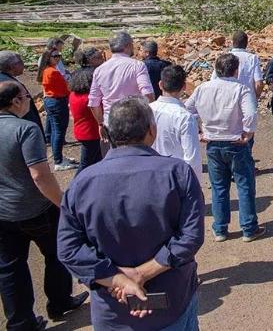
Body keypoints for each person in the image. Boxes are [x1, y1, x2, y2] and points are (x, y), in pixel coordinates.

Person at [57, 97, 204, 330]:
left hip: (112, 310)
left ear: (106, 133)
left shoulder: (81, 183)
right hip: (172, 301)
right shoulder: (178, 173)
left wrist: (118, 279)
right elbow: (191, 236)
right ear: (152, 131)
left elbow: (69, 249)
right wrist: (142, 274)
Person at [0, 81, 87, 330]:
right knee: (57, 254)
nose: (29, 100)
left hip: (3, 212)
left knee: (9, 268)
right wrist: (62, 203)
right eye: (26, 96)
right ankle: (59, 302)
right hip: (35, 208)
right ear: (16, 101)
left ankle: (20, 322)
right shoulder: (25, 129)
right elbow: (39, 176)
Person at [186, 53, 264, 242]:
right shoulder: (241, 89)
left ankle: (220, 229)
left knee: (219, 188)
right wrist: (248, 133)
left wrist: (199, 132)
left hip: (213, 143)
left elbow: (187, 109)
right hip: (236, 142)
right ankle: (248, 228)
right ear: (236, 70)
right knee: (245, 185)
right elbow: (251, 114)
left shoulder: (203, 88)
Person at [88, 32, 155, 141]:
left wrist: (100, 123)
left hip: (110, 122)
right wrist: (151, 117)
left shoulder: (99, 70)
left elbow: (93, 102)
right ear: (128, 45)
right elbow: (147, 93)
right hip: (134, 120)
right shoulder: (137, 66)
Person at [150, 65, 202, 181]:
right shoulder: (184, 117)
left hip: (150, 175)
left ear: (160, 84)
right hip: (174, 178)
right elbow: (192, 158)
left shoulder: (147, 109)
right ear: (184, 87)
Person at [37, 49, 77, 171]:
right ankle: (58, 161)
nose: (58, 58)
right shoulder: (53, 72)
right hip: (57, 101)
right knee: (59, 131)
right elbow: (66, 88)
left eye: (59, 55)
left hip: (51, 100)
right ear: (48, 58)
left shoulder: (46, 71)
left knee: (56, 130)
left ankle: (59, 157)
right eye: (55, 56)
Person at [211, 30, 264, 100]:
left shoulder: (224, 58)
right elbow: (259, 84)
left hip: (227, 100)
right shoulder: (253, 58)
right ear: (246, 43)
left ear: (233, 42)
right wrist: (255, 98)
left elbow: (213, 81)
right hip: (246, 100)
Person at [68, 68, 102, 173]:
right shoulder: (88, 98)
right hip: (91, 133)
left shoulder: (73, 95)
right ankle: (75, 186)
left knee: (96, 160)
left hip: (81, 131)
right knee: (86, 164)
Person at [0, 50, 43, 131]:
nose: (23, 64)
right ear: (12, 66)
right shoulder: (12, 86)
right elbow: (26, 112)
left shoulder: (4, 79)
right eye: (20, 61)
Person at [38, 38, 70, 147]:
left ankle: (49, 138)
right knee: (58, 127)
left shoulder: (51, 65)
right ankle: (58, 153)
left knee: (52, 120)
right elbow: (62, 83)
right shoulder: (52, 70)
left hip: (51, 96)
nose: (61, 50)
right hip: (56, 96)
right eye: (61, 46)